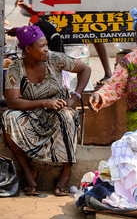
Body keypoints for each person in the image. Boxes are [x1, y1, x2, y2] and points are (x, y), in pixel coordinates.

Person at [1, 26, 91, 196]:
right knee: (8, 118)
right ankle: (28, 171)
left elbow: (85, 69)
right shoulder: (15, 67)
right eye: (41, 46)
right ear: (28, 49)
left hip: (58, 111)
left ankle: (65, 173)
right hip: (32, 113)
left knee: (67, 116)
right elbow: (12, 102)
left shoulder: (55, 58)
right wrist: (43, 102)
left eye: (46, 45)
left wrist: (74, 98)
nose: (46, 49)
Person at [14, 0, 112, 85]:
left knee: (96, 33)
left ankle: (108, 73)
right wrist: (29, 8)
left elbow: (49, 15)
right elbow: (45, 9)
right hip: (58, 36)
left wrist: (19, 30)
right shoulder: (48, 1)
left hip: (69, 33)